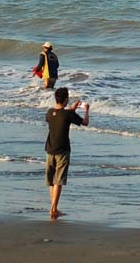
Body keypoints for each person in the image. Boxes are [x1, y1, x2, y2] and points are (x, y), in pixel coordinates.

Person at [44, 87, 89, 218]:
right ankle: (54, 209)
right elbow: (85, 122)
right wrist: (86, 110)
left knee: (52, 181)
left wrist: (72, 108)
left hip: (50, 149)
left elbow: (60, 116)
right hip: (62, 150)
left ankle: (53, 207)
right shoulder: (68, 114)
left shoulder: (50, 112)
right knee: (59, 181)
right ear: (65, 100)